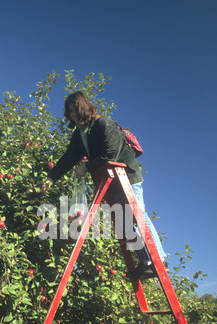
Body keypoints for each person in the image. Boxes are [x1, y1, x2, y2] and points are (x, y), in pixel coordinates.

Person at [41, 91, 166, 279]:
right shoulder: (79, 135)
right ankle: (146, 262)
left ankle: (160, 259)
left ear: (83, 107)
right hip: (111, 183)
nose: (73, 115)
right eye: (70, 112)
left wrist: (86, 166)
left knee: (137, 215)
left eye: (75, 110)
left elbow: (111, 153)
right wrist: (51, 177)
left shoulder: (103, 123)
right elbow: (68, 158)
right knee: (126, 223)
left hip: (127, 178)